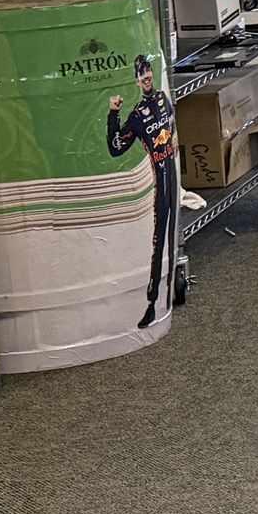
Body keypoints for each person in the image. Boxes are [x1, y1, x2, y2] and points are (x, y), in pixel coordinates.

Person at [105, 54, 180, 330]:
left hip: (173, 171)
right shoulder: (137, 115)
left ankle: (169, 293)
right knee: (158, 240)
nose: (146, 77)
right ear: (136, 80)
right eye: (141, 74)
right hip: (159, 178)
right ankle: (152, 302)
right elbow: (116, 148)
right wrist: (113, 114)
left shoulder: (162, 98)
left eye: (148, 72)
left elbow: (171, 128)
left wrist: (171, 139)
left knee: (172, 234)